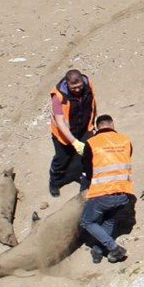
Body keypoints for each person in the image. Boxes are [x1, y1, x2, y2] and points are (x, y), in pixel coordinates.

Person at [79, 114, 132, 264]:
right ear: (112, 125)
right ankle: (97, 251)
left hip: (102, 193)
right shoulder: (125, 140)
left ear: (96, 127)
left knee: (87, 222)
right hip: (123, 192)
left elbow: (88, 172)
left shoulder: (91, 143)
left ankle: (115, 249)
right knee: (108, 222)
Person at [49, 69, 97, 197]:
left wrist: (92, 125)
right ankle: (55, 182)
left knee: (86, 156)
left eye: (79, 86)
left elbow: (92, 104)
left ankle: (84, 183)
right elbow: (60, 122)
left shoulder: (88, 85)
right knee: (61, 159)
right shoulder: (58, 97)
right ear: (67, 83)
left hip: (83, 128)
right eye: (74, 87)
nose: (77, 90)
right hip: (63, 135)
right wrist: (74, 142)